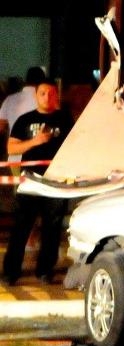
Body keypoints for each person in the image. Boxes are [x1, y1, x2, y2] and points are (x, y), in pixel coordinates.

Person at [1, 78, 74, 286]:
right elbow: (11, 148)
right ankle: (11, 272)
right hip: (31, 180)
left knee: (52, 228)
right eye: (43, 93)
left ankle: (45, 270)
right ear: (36, 96)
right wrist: (35, 141)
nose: (47, 97)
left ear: (56, 95)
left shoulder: (64, 119)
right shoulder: (25, 120)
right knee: (22, 225)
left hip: (56, 180)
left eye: (51, 93)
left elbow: (75, 143)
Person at [0, 66, 46, 168]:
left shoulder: (10, 100)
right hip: (39, 160)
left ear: (26, 81)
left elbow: (0, 126)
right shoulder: (45, 101)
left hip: (15, 159)